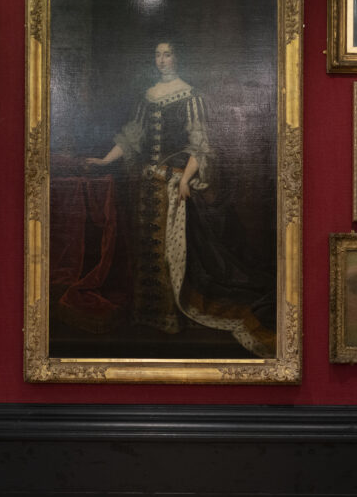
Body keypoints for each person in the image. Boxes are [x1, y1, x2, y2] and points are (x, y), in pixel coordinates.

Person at [86, 41, 274, 356]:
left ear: (178, 58)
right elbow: (132, 138)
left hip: (173, 188)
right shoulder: (146, 98)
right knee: (143, 251)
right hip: (145, 189)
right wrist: (106, 161)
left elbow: (200, 145)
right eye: (157, 54)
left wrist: (186, 178)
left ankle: (171, 316)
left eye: (168, 53)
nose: (162, 59)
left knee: (172, 255)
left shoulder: (191, 97)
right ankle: (146, 315)